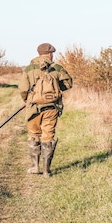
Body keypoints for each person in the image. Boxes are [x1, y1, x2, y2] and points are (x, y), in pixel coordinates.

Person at [19, 43, 73, 177]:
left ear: (39, 53)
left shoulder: (29, 69)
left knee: (33, 134)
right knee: (48, 136)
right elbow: (68, 83)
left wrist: (29, 100)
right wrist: (57, 89)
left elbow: (23, 89)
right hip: (52, 107)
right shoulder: (57, 68)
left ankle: (35, 166)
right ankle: (46, 171)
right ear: (49, 54)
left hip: (34, 107)